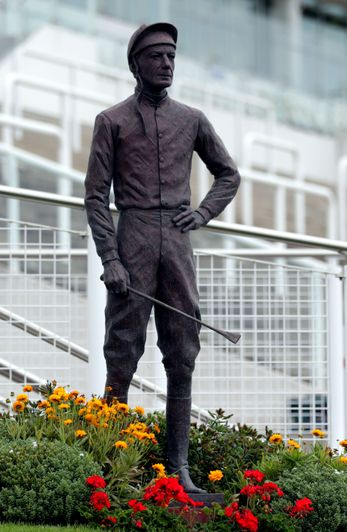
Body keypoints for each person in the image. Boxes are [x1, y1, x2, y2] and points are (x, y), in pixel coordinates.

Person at [84, 22, 240, 493]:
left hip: (176, 241)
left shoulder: (191, 119)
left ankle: (180, 471)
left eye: (172, 56)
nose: (167, 63)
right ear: (136, 64)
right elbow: (95, 195)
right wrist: (110, 257)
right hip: (132, 237)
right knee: (122, 350)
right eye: (157, 56)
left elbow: (228, 174)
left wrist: (204, 213)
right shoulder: (111, 121)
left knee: (183, 351)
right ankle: (110, 466)